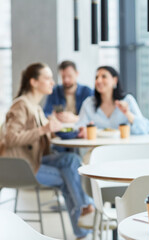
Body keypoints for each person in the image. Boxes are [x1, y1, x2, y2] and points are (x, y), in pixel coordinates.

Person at [0, 63, 94, 239]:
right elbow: (10, 138)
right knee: (68, 176)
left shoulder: (35, 106)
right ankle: (84, 220)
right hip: (22, 168)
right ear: (34, 82)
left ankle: (85, 212)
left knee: (72, 161)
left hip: (34, 160)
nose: (53, 82)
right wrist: (44, 130)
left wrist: (67, 130)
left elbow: (45, 138)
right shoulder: (21, 105)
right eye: (48, 78)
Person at [76, 66, 149, 136]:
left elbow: (145, 129)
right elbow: (79, 128)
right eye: (96, 77)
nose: (98, 80)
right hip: (97, 149)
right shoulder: (88, 103)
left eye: (104, 77)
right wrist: (83, 130)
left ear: (115, 80)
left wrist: (127, 113)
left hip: (123, 148)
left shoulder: (128, 100)